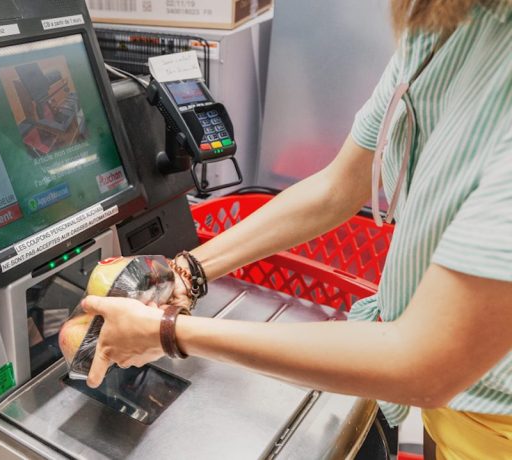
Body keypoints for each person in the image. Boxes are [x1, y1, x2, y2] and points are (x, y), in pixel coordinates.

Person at [82, 1, 512, 458]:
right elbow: (335, 188)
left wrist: (170, 330)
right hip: (443, 407)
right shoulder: (441, 26)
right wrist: (188, 269)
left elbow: (424, 363)